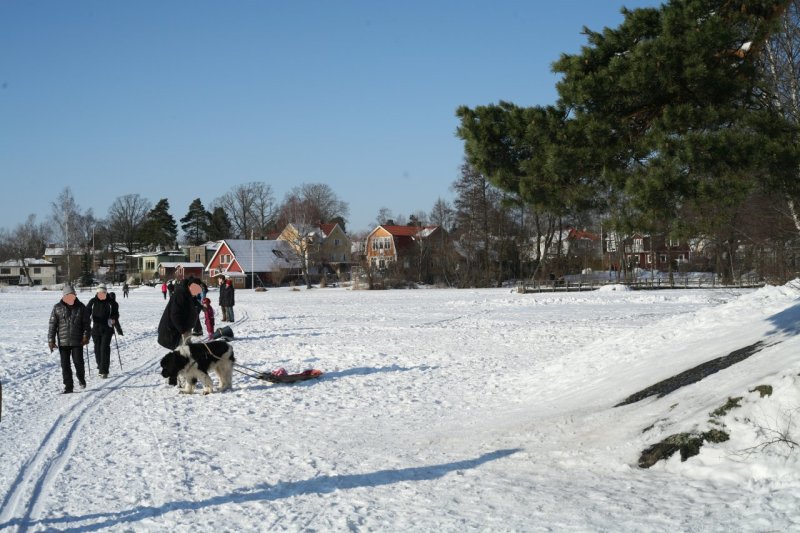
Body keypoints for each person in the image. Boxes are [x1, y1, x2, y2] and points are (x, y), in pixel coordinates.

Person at [48, 284, 91, 393]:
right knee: (65, 365)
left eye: (72, 295)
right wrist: (51, 340)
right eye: (68, 295)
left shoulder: (81, 307)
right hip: (63, 342)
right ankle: (68, 386)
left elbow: (86, 324)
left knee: (78, 362)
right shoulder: (57, 307)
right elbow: (52, 325)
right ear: (64, 296)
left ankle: (81, 379)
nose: (70, 297)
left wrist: (86, 336)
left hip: (78, 341)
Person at [157, 276, 204, 351]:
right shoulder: (180, 295)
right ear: (190, 286)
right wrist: (183, 331)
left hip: (185, 329)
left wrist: (202, 307)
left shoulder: (188, 294)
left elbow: (193, 301)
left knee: (188, 351)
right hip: (176, 331)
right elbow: (175, 315)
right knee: (182, 353)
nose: (198, 292)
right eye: (197, 289)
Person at [87, 284, 119, 378]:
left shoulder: (111, 303)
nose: (101, 294)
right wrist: (86, 320)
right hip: (95, 329)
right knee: (97, 349)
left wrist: (113, 319)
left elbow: (115, 314)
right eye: (99, 292)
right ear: (97, 293)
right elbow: (86, 313)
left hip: (107, 328)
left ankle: (104, 370)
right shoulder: (92, 302)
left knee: (104, 348)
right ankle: (100, 365)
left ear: (106, 292)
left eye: (103, 292)